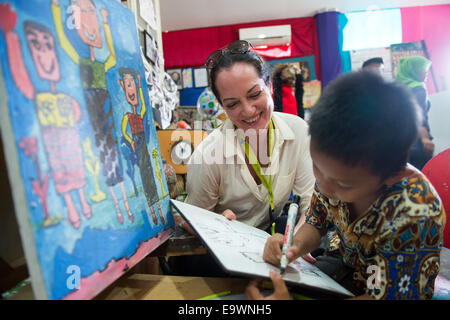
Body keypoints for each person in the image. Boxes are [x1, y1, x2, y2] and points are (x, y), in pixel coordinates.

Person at [246, 71, 445, 300]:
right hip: (346, 266)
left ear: (392, 175)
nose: (325, 188)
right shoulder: (333, 172)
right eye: (317, 168)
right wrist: (294, 247)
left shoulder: (416, 212)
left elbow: (388, 297)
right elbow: (316, 222)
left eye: (343, 184)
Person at [169, 40, 315, 277]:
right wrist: (215, 225)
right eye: (233, 104)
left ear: (270, 86)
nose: (248, 111)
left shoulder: (297, 131)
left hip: (272, 247)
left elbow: (311, 204)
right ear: (222, 107)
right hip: (225, 259)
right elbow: (193, 220)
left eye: (255, 94)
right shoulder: (208, 156)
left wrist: (295, 243)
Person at [396, 56, 435, 170]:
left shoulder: (398, 90)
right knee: (422, 180)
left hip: (400, 144)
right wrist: (425, 139)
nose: (426, 73)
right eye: (424, 69)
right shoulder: (418, 89)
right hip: (417, 142)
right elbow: (419, 117)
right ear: (414, 70)